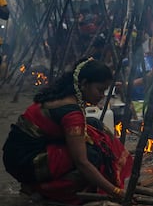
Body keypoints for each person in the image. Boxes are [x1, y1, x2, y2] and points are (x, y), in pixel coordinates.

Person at [2, 58, 133, 205]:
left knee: (95, 126)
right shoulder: (71, 112)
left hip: (18, 152)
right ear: (84, 84)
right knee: (92, 156)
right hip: (25, 161)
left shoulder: (63, 95)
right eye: (100, 90)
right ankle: (46, 190)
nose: (102, 95)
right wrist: (115, 192)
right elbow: (82, 163)